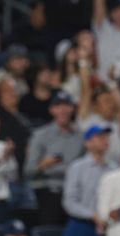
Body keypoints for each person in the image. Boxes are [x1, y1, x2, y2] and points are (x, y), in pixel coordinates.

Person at [24, 91, 84, 225]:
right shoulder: (40, 135)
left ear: (73, 108)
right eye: (58, 106)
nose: (63, 110)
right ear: (52, 110)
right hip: (47, 190)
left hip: (73, 192)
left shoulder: (80, 137)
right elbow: (28, 171)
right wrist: (43, 164)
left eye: (67, 105)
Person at [58, 125, 115, 236]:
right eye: (99, 137)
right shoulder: (77, 167)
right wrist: (93, 215)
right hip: (81, 223)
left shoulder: (114, 169)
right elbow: (70, 202)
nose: (104, 140)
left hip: (108, 226)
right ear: (87, 142)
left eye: (106, 137)